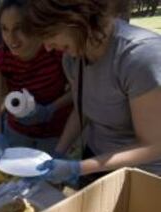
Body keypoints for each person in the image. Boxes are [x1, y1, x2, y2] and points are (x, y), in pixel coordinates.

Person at [19, 0, 161, 186]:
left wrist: (78, 168)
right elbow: (82, 111)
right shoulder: (72, 59)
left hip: (142, 176)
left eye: (49, 34)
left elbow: (153, 146)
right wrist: (59, 152)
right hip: (96, 163)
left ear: (76, 17)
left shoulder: (139, 56)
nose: (47, 47)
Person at [0, 0, 72, 161]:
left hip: (55, 134)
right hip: (17, 132)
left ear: (35, 25)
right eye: (5, 29)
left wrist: (49, 109)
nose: (11, 38)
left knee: (49, 183)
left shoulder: (55, 49)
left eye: (19, 28)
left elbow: (77, 92)